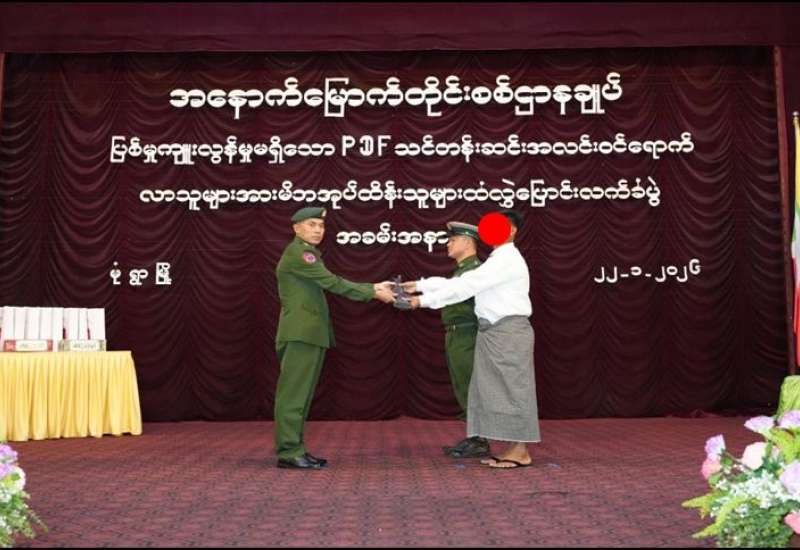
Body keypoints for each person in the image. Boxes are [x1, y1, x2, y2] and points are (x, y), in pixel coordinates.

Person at [404, 210, 540, 469]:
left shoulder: (506, 259)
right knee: (500, 390)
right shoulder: (497, 259)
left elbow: (466, 287)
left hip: (506, 330)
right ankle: (514, 448)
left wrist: (419, 301)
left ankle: (521, 451)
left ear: (511, 231)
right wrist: (419, 286)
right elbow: (461, 282)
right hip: (495, 331)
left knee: (513, 390)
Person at [274, 206, 395, 470]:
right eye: (312, 224)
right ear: (296, 228)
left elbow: (331, 281)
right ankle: (289, 451)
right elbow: (333, 283)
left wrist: (373, 286)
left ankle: (296, 448)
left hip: (308, 333)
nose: (318, 230)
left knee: (302, 395)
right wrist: (373, 292)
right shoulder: (300, 254)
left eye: (321, 225)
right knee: (294, 395)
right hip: (301, 334)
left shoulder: (306, 253)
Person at [437, 222, 491, 459]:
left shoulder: (474, 271)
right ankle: (475, 436)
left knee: (471, 385)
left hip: (468, 334)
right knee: (463, 385)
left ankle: (480, 439)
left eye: (453, 240)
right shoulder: (462, 271)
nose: (448, 244)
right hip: (457, 334)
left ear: (468, 242)